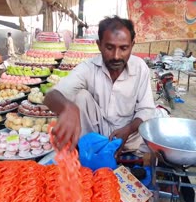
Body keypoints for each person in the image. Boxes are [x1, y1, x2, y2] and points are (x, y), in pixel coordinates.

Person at [43, 16, 155, 153]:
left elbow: (146, 109)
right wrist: (68, 107)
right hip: (97, 136)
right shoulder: (88, 67)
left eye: (124, 48)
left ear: (132, 45)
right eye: (109, 47)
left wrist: (129, 129)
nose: (116, 56)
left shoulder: (140, 68)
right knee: (80, 96)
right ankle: (89, 149)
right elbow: (51, 95)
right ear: (99, 45)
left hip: (130, 136)